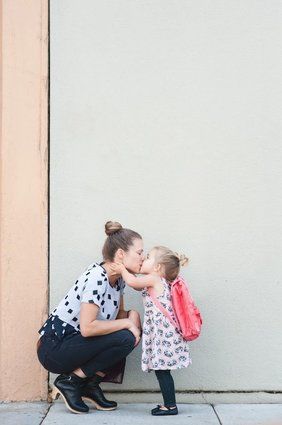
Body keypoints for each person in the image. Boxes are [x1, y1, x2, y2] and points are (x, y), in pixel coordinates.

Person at [37, 221, 144, 414]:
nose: (142, 259)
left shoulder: (118, 279)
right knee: (126, 333)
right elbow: (87, 328)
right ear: (121, 254)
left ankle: (90, 384)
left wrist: (131, 318)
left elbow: (117, 318)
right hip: (53, 348)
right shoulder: (97, 277)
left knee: (131, 325)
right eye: (139, 253)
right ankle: (70, 381)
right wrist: (127, 322)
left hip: (75, 343)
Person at [111, 245, 191, 416]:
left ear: (157, 267)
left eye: (147, 257)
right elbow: (137, 286)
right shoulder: (154, 280)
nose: (143, 259)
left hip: (163, 336)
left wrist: (122, 269)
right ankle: (169, 404)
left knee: (162, 372)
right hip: (162, 335)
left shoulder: (154, 279)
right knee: (162, 372)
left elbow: (133, 282)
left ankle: (170, 406)